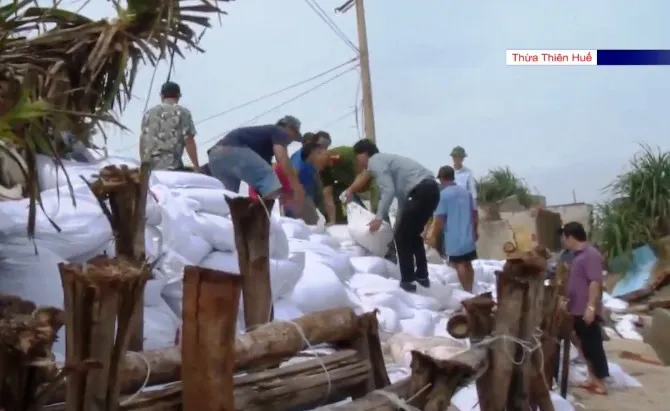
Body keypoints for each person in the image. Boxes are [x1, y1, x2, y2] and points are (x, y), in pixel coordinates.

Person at [344, 139, 439, 292]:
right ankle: (422, 275)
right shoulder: (390, 163)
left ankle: (407, 281)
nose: (358, 161)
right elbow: (402, 199)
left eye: (358, 157)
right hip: (431, 191)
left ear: (365, 154)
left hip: (421, 191)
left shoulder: (375, 161)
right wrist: (398, 223)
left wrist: (378, 218)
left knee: (402, 237)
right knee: (412, 235)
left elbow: (388, 191)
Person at [207, 115, 304, 204]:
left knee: (228, 198)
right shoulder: (278, 131)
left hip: (215, 155)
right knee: (268, 178)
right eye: (293, 136)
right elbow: (282, 158)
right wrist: (296, 187)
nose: (290, 141)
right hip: (233, 148)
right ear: (288, 128)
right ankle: (273, 216)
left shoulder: (262, 149)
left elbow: (260, 183)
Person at [561, 221, 610, 395]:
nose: (564, 242)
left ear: (571, 237)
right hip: (576, 308)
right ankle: (592, 378)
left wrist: (590, 307)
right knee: (584, 345)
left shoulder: (590, 255)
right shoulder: (577, 256)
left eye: (565, 238)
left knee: (593, 345)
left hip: (585, 309)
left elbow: (594, 282)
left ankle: (601, 382)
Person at [249, 140, 329, 223]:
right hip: (284, 199)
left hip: (293, 197)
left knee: (313, 221)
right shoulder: (296, 166)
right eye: (322, 153)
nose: (326, 156)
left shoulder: (310, 164)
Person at [427, 166, 478, 292]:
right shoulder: (466, 193)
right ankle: (470, 290)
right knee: (468, 263)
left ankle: (466, 292)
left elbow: (439, 219)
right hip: (468, 234)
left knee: (459, 264)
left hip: (453, 237)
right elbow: (475, 214)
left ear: (442, 179)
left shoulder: (443, 195)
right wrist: (475, 231)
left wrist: (433, 235)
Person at [139, 82, 200, 171]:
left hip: (151, 167)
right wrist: (196, 167)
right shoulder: (183, 113)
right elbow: (189, 140)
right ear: (178, 96)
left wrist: (144, 165)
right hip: (172, 167)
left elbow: (142, 140)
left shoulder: (149, 113)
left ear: (162, 96)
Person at [319, 144, 376, 225]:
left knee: (376, 205)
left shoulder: (341, 155)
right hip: (350, 186)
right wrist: (332, 221)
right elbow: (327, 196)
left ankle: (368, 220)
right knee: (338, 192)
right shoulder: (323, 172)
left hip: (370, 180)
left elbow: (364, 172)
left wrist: (350, 190)